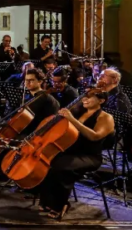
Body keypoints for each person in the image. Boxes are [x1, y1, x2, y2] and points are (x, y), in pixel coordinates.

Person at [38, 90, 115, 219]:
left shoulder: (105, 117)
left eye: (90, 97)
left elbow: (94, 136)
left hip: (89, 157)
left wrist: (71, 119)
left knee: (61, 167)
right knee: (47, 162)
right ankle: (48, 201)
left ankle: (60, 204)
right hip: (70, 152)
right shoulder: (79, 111)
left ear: (101, 101)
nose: (84, 99)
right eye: (84, 97)